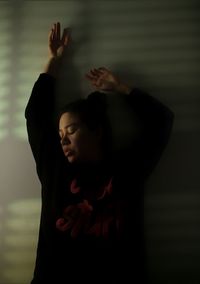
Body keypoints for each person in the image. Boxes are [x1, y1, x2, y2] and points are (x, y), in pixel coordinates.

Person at [25, 22, 174, 284]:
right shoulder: (54, 167)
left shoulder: (127, 168)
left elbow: (161, 121)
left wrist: (121, 87)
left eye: (71, 130)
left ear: (97, 131)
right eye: (60, 135)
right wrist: (54, 62)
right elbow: (35, 115)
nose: (63, 141)